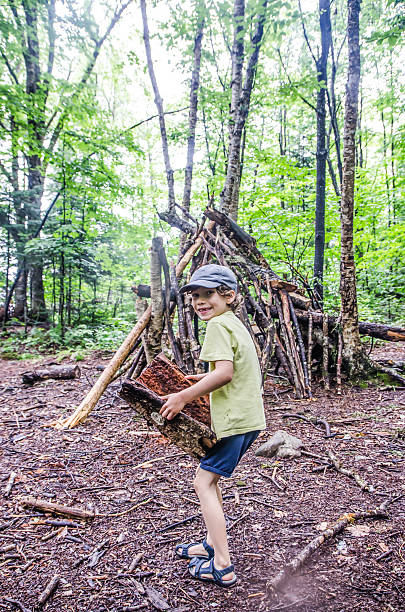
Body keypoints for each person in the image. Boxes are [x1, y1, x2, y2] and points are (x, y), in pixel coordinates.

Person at [159, 263, 266, 588]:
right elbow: (233, 369)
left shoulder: (218, 326)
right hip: (249, 419)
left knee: (203, 483)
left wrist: (182, 396)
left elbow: (225, 374)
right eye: (195, 296)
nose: (200, 302)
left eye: (209, 295)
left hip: (233, 422)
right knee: (212, 481)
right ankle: (210, 543)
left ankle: (222, 564)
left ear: (229, 296)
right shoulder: (234, 323)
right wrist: (202, 378)